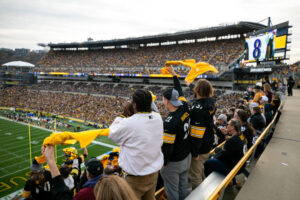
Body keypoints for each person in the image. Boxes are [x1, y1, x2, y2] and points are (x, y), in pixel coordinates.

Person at [108, 89, 164, 200]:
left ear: (134, 105)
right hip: (153, 174)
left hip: (135, 178)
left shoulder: (129, 123)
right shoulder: (158, 118)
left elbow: (112, 134)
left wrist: (123, 115)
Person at [160, 66, 191, 200]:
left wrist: (164, 163)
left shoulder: (170, 122)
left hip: (174, 162)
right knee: (183, 188)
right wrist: (173, 74)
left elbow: (168, 147)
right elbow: (179, 91)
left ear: (166, 101)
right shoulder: (185, 107)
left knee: (172, 193)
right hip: (186, 156)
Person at [185, 79, 216, 189]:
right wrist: (190, 85)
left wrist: (194, 153)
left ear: (197, 90)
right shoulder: (211, 102)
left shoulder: (198, 109)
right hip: (208, 142)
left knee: (194, 176)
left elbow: (197, 135)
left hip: (200, 147)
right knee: (199, 170)